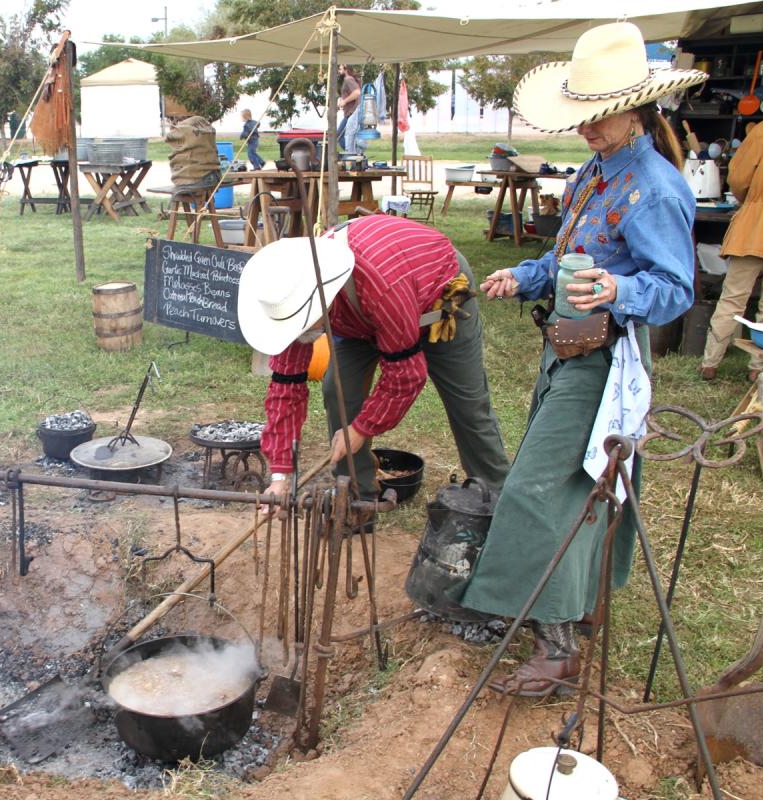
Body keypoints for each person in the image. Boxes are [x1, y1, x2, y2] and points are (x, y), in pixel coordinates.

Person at [461, 22, 705, 696]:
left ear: (639, 109)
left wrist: (621, 289)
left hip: (606, 363)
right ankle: (581, 606)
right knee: (585, 486)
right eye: (585, 119)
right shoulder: (595, 174)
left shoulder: (654, 188)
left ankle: (559, 647)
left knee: (543, 488)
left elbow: (676, 289)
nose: (589, 131)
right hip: (565, 352)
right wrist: (528, 275)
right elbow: (568, 258)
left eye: (601, 119)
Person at [237, 214, 511, 511]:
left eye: (303, 325)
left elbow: (405, 377)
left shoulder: (380, 287)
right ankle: (356, 500)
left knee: (468, 404)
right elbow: (286, 390)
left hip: (436, 295)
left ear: (321, 301)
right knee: (339, 391)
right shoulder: (291, 296)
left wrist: (362, 428)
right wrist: (282, 474)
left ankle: (497, 500)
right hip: (359, 314)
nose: (298, 334)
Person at [699, 117, 763, 383]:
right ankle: (760, 369)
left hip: (755, 224)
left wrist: (752, 201)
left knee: (733, 297)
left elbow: (739, 177)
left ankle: (710, 363)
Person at [337, 65, 362, 154]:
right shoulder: (348, 80)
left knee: (339, 136)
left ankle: (352, 154)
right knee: (349, 137)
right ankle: (354, 154)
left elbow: (357, 93)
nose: (338, 70)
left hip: (351, 114)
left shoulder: (348, 79)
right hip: (350, 113)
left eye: (340, 68)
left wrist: (345, 101)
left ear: (346, 69)